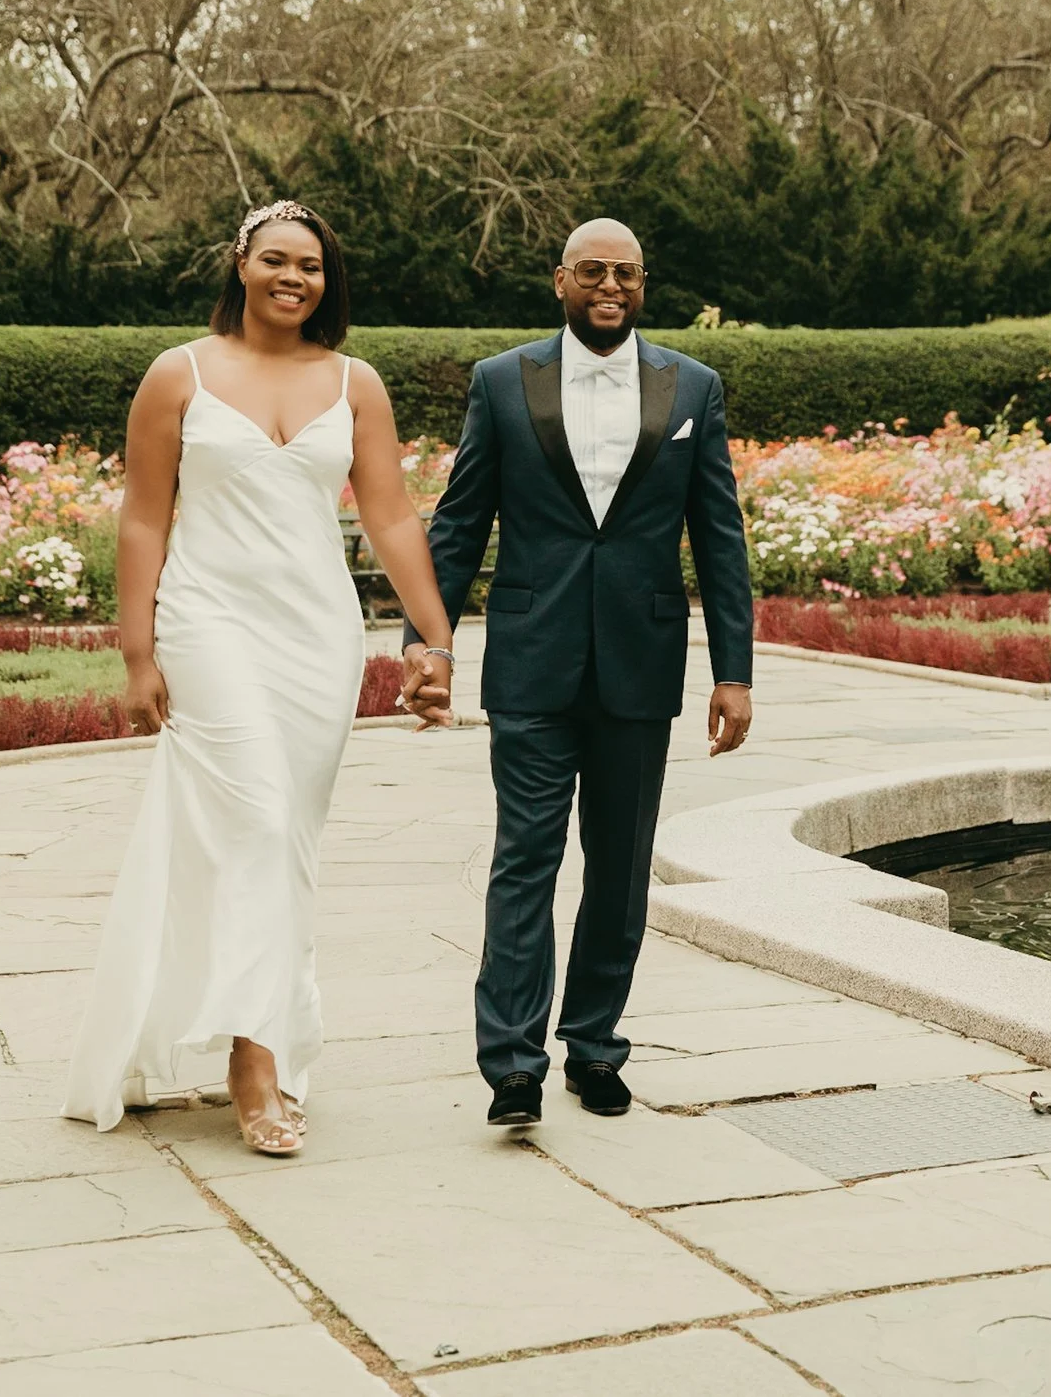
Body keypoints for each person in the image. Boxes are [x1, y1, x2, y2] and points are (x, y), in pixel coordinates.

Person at [64, 200, 458, 1155]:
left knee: (287, 837)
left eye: (312, 266)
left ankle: (269, 1028)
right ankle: (254, 1062)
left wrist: (434, 639)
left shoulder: (354, 382)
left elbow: (393, 517)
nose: (294, 277)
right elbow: (144, 519)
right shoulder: (180, 374)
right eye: (276, 259)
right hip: (208, 623)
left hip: (315, 633)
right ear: (240, 264)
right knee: (253, 818)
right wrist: (137, 650)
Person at [400, 217, 755, 1127]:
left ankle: (593, 1046)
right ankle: (513, 1064)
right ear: (559, 280)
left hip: (640, 666)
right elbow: (459, 524)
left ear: (644, 284)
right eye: (592, 271)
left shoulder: (694, 388)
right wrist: (426, 643)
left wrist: (733, 670)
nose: (609, 286)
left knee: (621, 865)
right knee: (526, 857)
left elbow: (719, 538)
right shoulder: (502, 382)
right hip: (531, 659)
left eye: (625, 274)